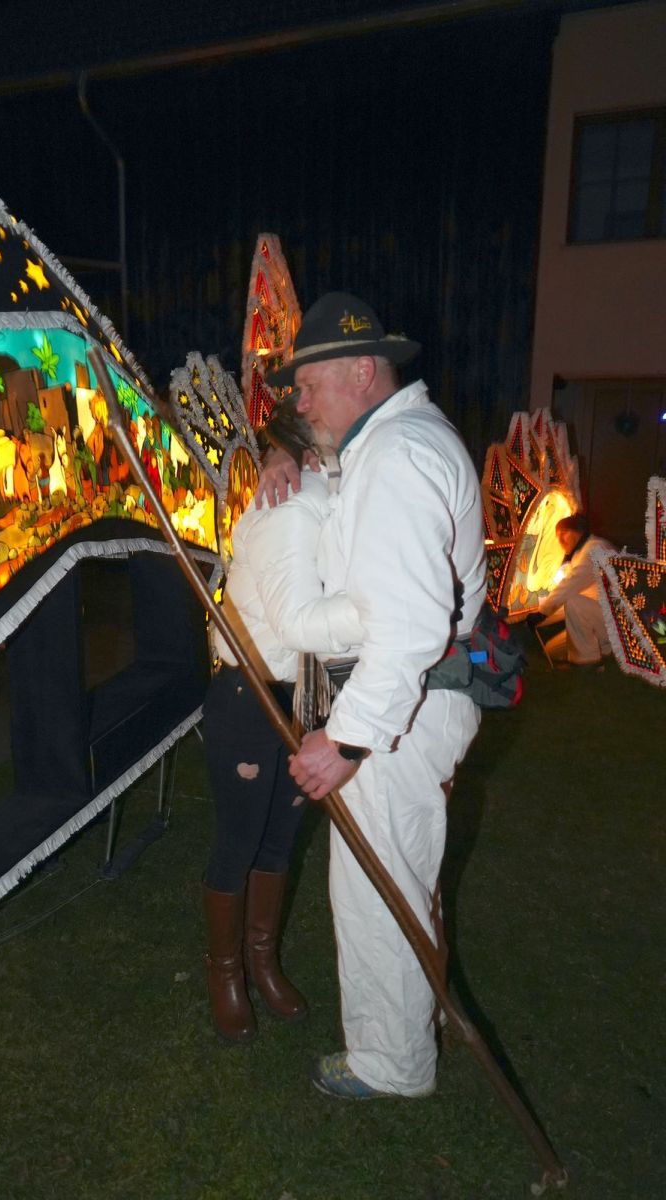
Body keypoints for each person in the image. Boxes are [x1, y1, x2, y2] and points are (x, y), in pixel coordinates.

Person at [259, 291, 486, 1100]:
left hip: (400, 712)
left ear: (362, 371)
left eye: (308, 385)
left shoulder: (397, 457)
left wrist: (347, 738)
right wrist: (279, 454)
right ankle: (414, 1029)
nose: (300, 402)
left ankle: (393, 1066)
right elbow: (332, 483)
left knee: (379, 895)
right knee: (400, 879)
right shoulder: (391, 443)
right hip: (410, 708)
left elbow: (412, 624)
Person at [202, 398, 361, 1043]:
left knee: (280, 838)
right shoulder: (290, 507)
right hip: (249, 692)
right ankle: (225, 972)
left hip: (300, 693)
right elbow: (299, 621)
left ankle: (263, 961)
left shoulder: (329, 496)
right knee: (240, 841)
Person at [527, 513, 613, 666]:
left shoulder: (595, 548)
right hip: (597, 617)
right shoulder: (579, 554)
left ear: (577, 532)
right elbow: (566, 596)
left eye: (563, 534)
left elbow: (571, 583)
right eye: (557, 537)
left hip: (614, 621)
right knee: (551, 650)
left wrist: (542, 612)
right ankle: (603, 652)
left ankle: (589, 663)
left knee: (574, 601)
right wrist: (541, 616)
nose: (560, 541)